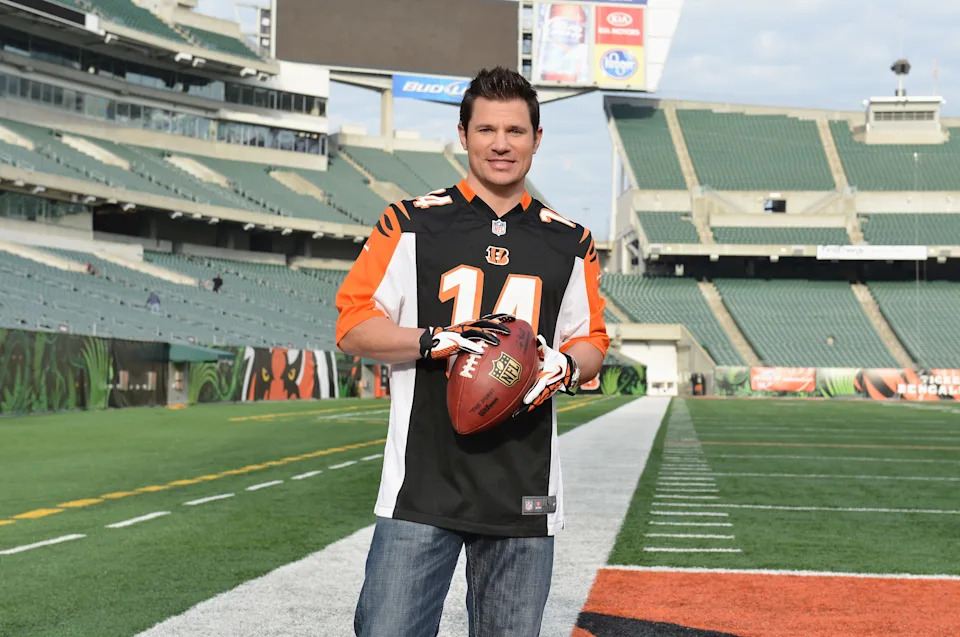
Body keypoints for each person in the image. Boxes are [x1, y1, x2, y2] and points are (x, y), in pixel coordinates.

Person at [335, 66, 608, 637]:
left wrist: (564, 364)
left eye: (515, 130)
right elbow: (354, 325)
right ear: (463, 135)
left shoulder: (570, 240)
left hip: (522, 488)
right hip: (422, 484)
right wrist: (432, 340)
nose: (501, 144)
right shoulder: (410, 222)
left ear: (537, 138)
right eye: (486, 129)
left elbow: (591, 344)